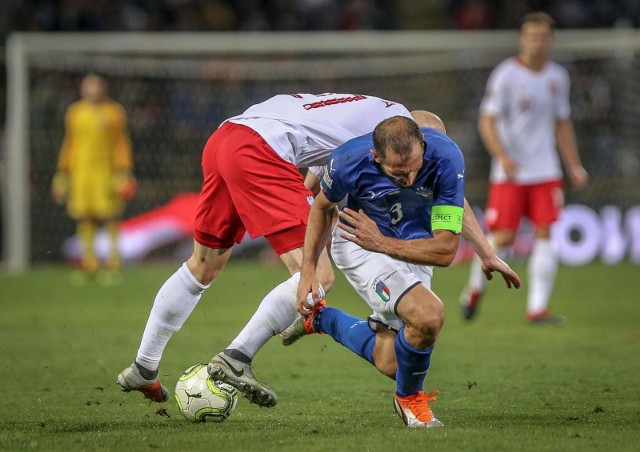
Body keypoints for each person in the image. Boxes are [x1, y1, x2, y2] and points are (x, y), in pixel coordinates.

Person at [116, 93, 518, 408]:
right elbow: (321, 205)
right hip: (260, 152)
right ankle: (236, 357)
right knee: (317, 276)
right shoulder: (390, 136)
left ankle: (143, 367)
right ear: (420, 132)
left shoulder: (369, 120)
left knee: (203, 264)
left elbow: (314, 188)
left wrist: (484, 249)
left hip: (225, 137)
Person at [282, 116, 520, 428]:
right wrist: (309, 270)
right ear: (376, 156)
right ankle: (409, 401)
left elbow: (446, 250)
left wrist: (486, 252)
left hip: (409, 246)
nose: (409, 178)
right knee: (428, 315)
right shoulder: (348, 161)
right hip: (359, 242)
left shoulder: (445, 158)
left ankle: (320, 318)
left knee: (391, 361)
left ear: (422, 144)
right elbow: (322, 207)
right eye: (398, 172)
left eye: (415, 168)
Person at [459, 12, 588, 324]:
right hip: (511, 173)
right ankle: (474, 290)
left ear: (550, 40)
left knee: (545, 233)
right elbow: (486, 121)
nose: (537, 42)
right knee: (502, 236)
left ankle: (537, 308)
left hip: (546, 170)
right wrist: (501, 154)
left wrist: (573, 164)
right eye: (531, 36)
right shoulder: (506, 75)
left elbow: (562, 124)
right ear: (522, 39)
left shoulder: (558, 77)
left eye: (542, 36)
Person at [51, 73, 136, 284]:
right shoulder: (75, 112)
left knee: (109, 216)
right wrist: (62, 173)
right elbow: (69, 143)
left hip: (106, 172)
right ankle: (89, 265)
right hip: (81, 172)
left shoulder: (114, 112)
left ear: (103, 88)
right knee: (84, 216)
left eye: (95, 86)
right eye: (88, 86)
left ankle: (114, 264)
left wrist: (123, 171)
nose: (92, 90)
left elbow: (121, 143)